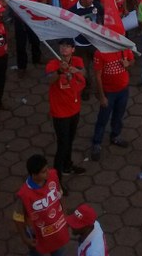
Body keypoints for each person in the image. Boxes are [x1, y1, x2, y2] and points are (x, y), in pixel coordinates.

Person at [45, 39, 86, 187]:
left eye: (68, 46)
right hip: (60, 113)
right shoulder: (53, 64)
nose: (64, 49)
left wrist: (76, 71)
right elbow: (49, 80)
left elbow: (84, 72)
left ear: (73, 49)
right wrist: (59, 71)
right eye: (62, 46)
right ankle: (57, 181)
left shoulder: (77, 60)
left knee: (70, 140)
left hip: (74, 109)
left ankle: (67, 165)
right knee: (62, 145)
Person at [13, 153, 69, 255]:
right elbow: (17, 218)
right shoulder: (24, 194)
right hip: (37, 235)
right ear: (34, 175)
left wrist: (65, 216)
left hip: (57, 230)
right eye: (43, 172)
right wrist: (25, 239)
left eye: (47, 168)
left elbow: (60, 195)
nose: (48, 172)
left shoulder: (53, 176)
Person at [90, 34, 134, 160]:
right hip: (109, 92)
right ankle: (97, 143)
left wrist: (128, 64)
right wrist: (102, 96)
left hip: (123, 90)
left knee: (118, 115)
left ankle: (115, 136)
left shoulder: (125, 48)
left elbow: (132, 61)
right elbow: (97, 76)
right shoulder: (100, 53)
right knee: (103, 118)